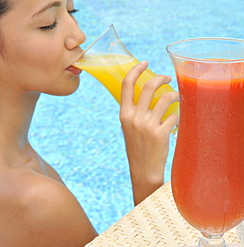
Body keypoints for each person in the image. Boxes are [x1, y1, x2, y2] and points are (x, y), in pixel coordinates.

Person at [0, 0, 179, 246]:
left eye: (72, 12)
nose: (78, 35)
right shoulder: (34, 201)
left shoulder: (17, 157)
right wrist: (147, 179)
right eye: (48, 24)